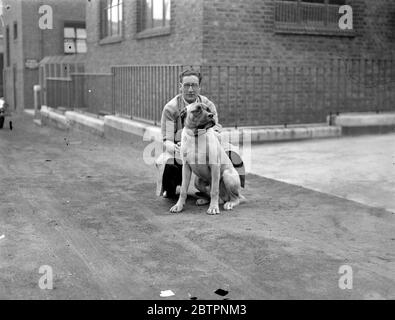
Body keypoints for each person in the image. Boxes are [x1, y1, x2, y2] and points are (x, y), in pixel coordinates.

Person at [155, 69, 245, 198]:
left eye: (194, 85)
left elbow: (215, 131)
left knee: (230, 154)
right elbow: (167, 139)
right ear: (180, 87)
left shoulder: (208, 105)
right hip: (181, 148)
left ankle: (228, 191)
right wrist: (174, 146)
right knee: (168, 162)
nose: (190, 89)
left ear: (199, 87)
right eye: (187, 85)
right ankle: (171, 188)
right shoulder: (171, 108)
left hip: (206, 143)